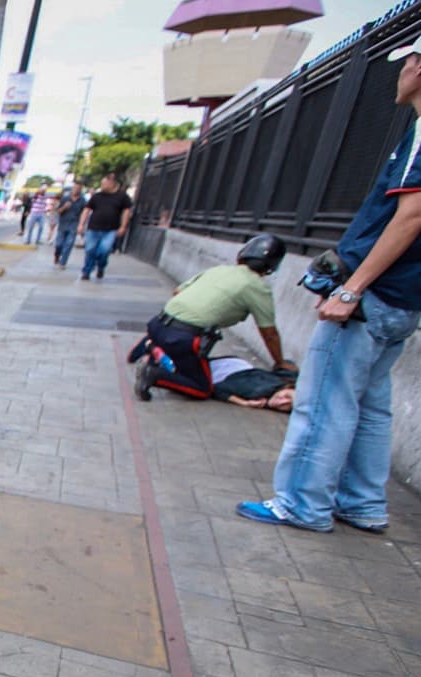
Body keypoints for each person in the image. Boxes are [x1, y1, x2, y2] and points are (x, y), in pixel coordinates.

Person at [237, 39, 421, 535]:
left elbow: (412, 215)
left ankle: (302, 504)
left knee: (325, 404)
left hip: (373, 296)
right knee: (370, 404)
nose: (401, 71)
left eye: (407, 62)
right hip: (402, 299)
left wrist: (351, 289)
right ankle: (362, 503)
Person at [130, 233, 296, 401]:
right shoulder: (257, 287)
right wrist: (280, 362)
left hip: (158, 324)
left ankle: (152, 347)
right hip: (183, 338)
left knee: (188, 358)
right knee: (202, 388)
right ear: (272, 266)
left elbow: (177, 292)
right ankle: (155, 374)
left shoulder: (219, 269)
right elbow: (269, 333)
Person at [78, 172, 132, 280]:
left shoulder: (122, 197)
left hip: (110, 229)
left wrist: (123, 226)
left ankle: (101, 267)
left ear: (112, 183)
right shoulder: (97, 196)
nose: (102, 186)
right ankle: (86, 271)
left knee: (104, 250)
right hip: (93, 228)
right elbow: (86, 210)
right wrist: (81, 224)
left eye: (104, 184)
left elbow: (126, 212)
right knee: (90, 250)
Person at [207, 356, 296, 412]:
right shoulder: (256, 390)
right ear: (288, 387)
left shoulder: (284, 382)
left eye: (289, 406)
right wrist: (244, 403)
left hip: (240, 366)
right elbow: (217, 389)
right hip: (221, 370)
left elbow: (289, 365)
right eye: (287, 396)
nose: (282, 402)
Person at [54, 182, 86, 269]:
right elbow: (58, 211)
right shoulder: (65, 199)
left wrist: (81, 225)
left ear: (80, 190)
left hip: (74, 224)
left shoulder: (82, 200)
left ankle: (63, 262)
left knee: (69, 244)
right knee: (59, 244)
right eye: (74, 188)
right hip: (63, 224)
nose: (75, 190)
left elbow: (84, 213)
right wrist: (64, 207)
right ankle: (57, 255)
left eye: (78, 188)